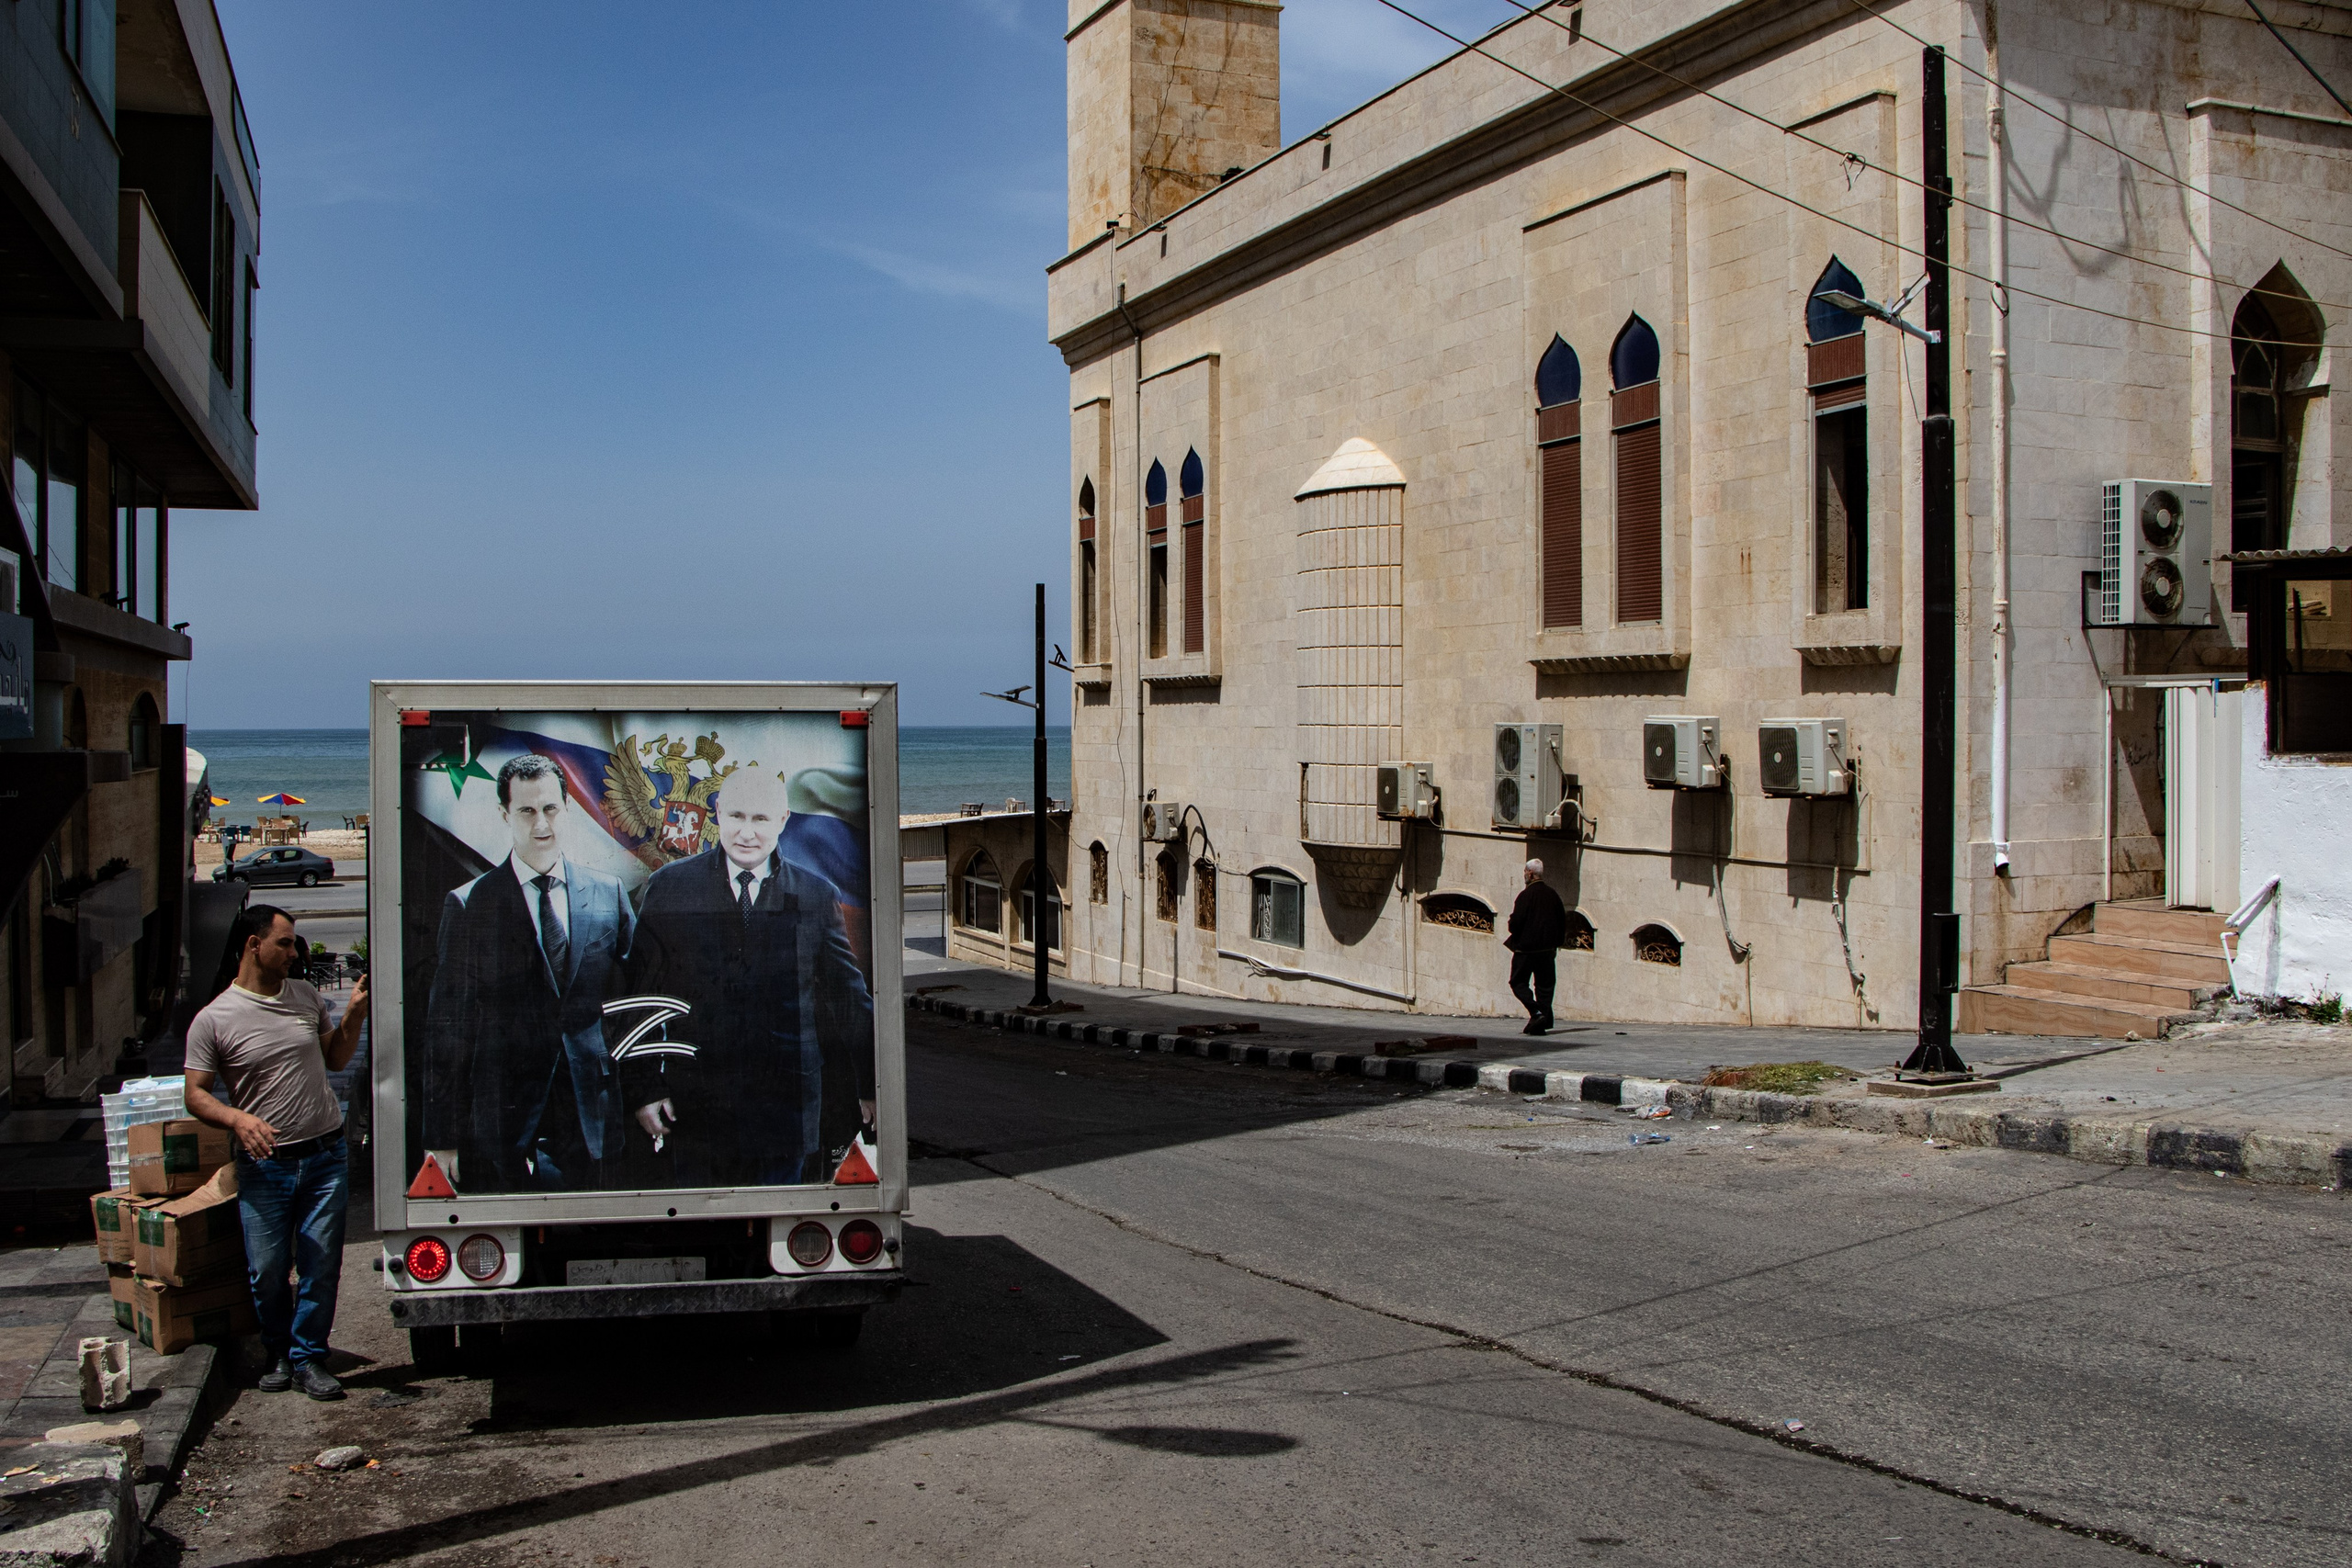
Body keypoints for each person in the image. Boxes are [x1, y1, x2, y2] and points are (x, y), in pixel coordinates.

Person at [622, 766, 874, 1188]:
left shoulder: (816, 895)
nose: (747, 833)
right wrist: (644, 1090)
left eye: (760, 819)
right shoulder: (669, 887)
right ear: (718, 812)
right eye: (737, 816)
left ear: (783, 820)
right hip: (696, 1112)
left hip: (786, 1113)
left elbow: (850, 999)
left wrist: (870, 1084)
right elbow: (638, 999)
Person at [183, 905, 369, 1400]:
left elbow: (335, 1057)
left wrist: (352, 1014)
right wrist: (238, 1118)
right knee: (266, 1269)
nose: (294, 952)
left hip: (325, 1154)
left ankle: (309, 1357)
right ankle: (278, 1351)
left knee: (320, 1263)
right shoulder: (214, 1019)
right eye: (284, 943)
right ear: (253, 945)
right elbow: (195, 1093)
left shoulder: (305, 997)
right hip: (266, 1166)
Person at [423, 754, 635, 1190]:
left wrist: (648, 1091)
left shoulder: (607, 893)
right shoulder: (468, 905)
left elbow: (638, 999)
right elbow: (449, 1030)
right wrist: (442, 1138)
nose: (542, 824)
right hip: (505, 1123)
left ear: (568, 808)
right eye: (527, 811)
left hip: (594, 1115)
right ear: (505, 814)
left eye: (551, 808)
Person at [1506, 858, 1567, 1035]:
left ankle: (1536, 1012)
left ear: (1531, 874)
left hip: (1526, 950)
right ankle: (1541, 1021)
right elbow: (1562, 920)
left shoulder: (1525, 896)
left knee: (1517, 982)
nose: (1524, 874)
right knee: (1545, 986)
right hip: (1548, 950)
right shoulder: (1552, 894)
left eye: (1526, 871)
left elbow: (1515, 923)